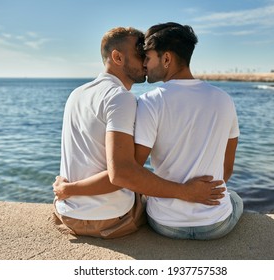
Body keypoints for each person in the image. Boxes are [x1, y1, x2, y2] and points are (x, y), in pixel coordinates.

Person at [53, 26, 225, 239]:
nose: (145, 61)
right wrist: (187, 192)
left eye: (147, 55)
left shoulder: (76, 94)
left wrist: (67, 191)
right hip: (110, 220)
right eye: (139, 53)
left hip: (67, 213)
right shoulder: (120, 97)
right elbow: (123, 173)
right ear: (117, 57)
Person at [134, 22, 243, 240]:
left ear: (166, 59)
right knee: (235, 198)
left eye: (147, 57)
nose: (144, 64)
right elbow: (226, 169)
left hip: (165, 223)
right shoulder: (224, 99)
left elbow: (134, 168)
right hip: (215, 225)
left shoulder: (150, 101)